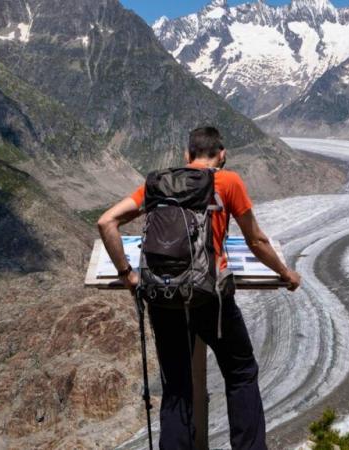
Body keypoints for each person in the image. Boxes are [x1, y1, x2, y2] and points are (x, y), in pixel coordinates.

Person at [97, 126, 301, 449]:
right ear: (222, 155)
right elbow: (257, 241)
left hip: (163, 298)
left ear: (186, 155)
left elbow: (106, 222)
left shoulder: (159, 184)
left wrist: (127, 275)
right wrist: (286, 273)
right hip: (210, 299)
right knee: (240, 372)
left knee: (177, 387)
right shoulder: (228, 181)